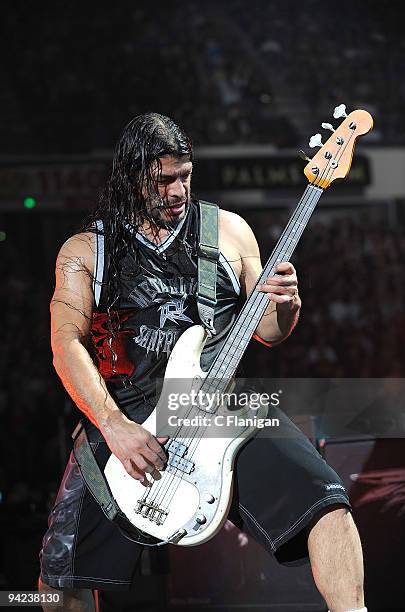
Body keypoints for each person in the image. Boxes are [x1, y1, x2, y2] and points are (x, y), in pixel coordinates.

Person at [38, 113, 366, 612]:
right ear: (131, 178)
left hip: (219, 404)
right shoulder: (88, 251)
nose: (177, 190)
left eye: (185, 175)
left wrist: (288, 303)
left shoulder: (229, 232)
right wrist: (114, 426)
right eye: (162, 180)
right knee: (60, 580)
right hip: (127, 411)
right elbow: (66, 346)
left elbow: (271, 333)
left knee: (330, 507)